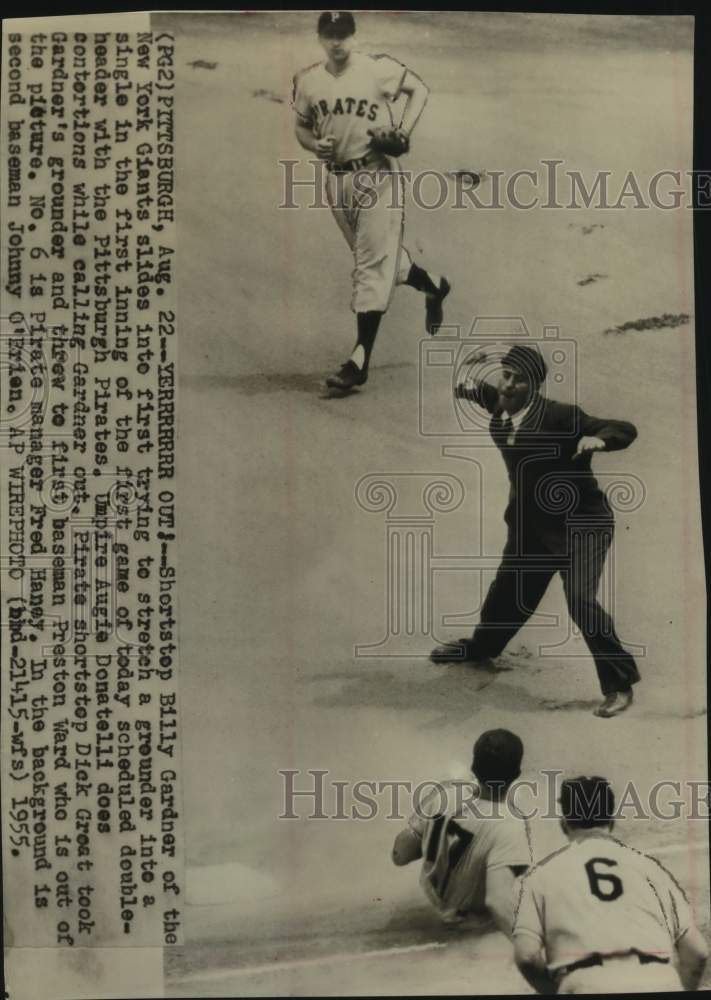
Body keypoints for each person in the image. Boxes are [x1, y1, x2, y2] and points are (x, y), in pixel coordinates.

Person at [430, 342, 640, 718]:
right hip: (531, 525)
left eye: (519, 380)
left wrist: (599, 440)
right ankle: (482, 649)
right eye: (506, 375)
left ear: (535, 388)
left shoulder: (561, 416)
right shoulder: (500, 402)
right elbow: (475, 388)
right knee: (508, 592)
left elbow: (624, 428)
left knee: (581, 600)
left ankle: (620, 685)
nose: (508, 385)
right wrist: (468, 372)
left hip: (582, 524)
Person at [292, 11, 450, 393]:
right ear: (319, 38)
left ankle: (358, 360)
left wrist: (401, 131)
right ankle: (432, 284)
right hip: (338, 184)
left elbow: (420, 90)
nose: (337, 42)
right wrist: (316, 144)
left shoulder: (377, 69)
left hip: (379, 177)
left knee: (369, 267)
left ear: (354, 36)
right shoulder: (308, 81)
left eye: (344, 34)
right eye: (330, 35)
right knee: (379, 261)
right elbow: (300, 126)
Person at [513, 776, 708, 994]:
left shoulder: (540, 876)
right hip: (659, 980)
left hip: (587, 984)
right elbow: (697, 952)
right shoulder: (651, 869)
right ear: (612, 822)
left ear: (564, 824)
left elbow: (527, 956)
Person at [391, 729, 533, 932]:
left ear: (473, 767)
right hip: (475, 924)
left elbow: (400, 855)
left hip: (433, 903)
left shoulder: (445, 793)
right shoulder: (512, 823)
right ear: (516, 775)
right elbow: (499, 901)